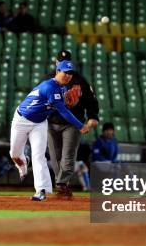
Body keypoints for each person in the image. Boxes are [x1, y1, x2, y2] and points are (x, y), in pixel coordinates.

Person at [10, 60, 90, 201]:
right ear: (58, 71)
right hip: (21, 120)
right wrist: (80, 125)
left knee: (39, 155)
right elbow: (63, 112)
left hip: (39, 123)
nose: (67, 76)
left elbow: (59, 107)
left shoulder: (62, 88)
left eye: (70, 73)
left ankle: (41, 190)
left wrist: (68, 103)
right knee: (14, 153)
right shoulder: (49, 87)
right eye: (65, 72)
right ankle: (22, 161)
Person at [47, 50, 98, 199]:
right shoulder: (48, 79)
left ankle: (62, 185)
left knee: (68, 155)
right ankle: (62, 185)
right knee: (55, 157)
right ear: (57, 63)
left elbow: (91, 99)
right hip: (52, 122)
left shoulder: (79, 80)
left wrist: (93, 116)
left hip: (73, 123)